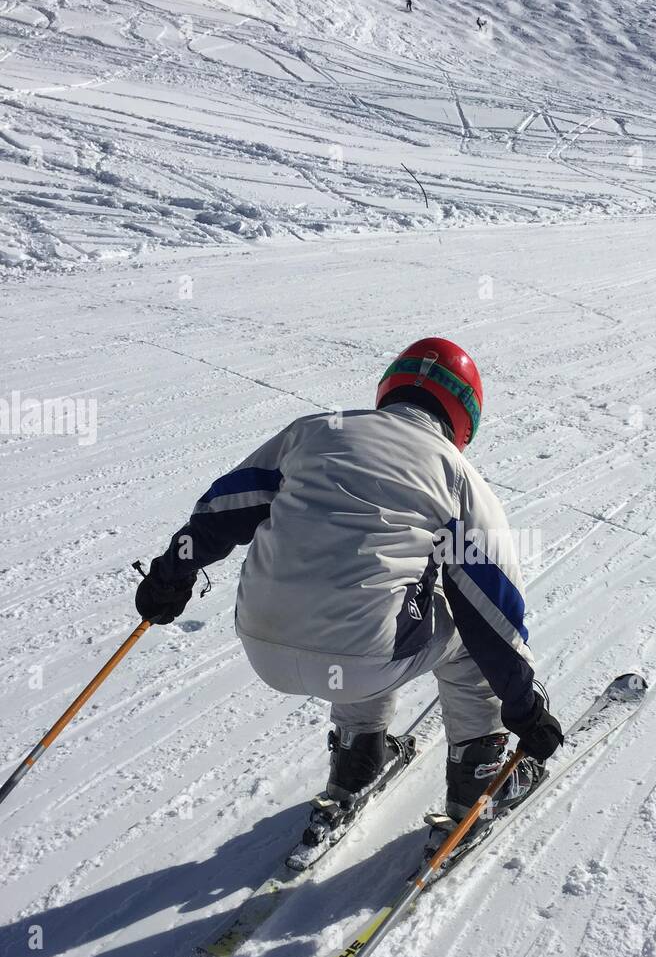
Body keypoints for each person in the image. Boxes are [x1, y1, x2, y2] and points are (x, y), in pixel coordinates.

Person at [135, 338, 563, 858]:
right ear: (466, 415)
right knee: (455, 632)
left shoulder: (313, 431)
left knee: (369, 592)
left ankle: (358, 759)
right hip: (360, 658)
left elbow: (221, 509)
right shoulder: (458, 475)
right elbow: (491, 609)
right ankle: (479, 782)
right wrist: (524, 708)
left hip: (261, 641)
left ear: (389, 387)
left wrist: (170, 577)